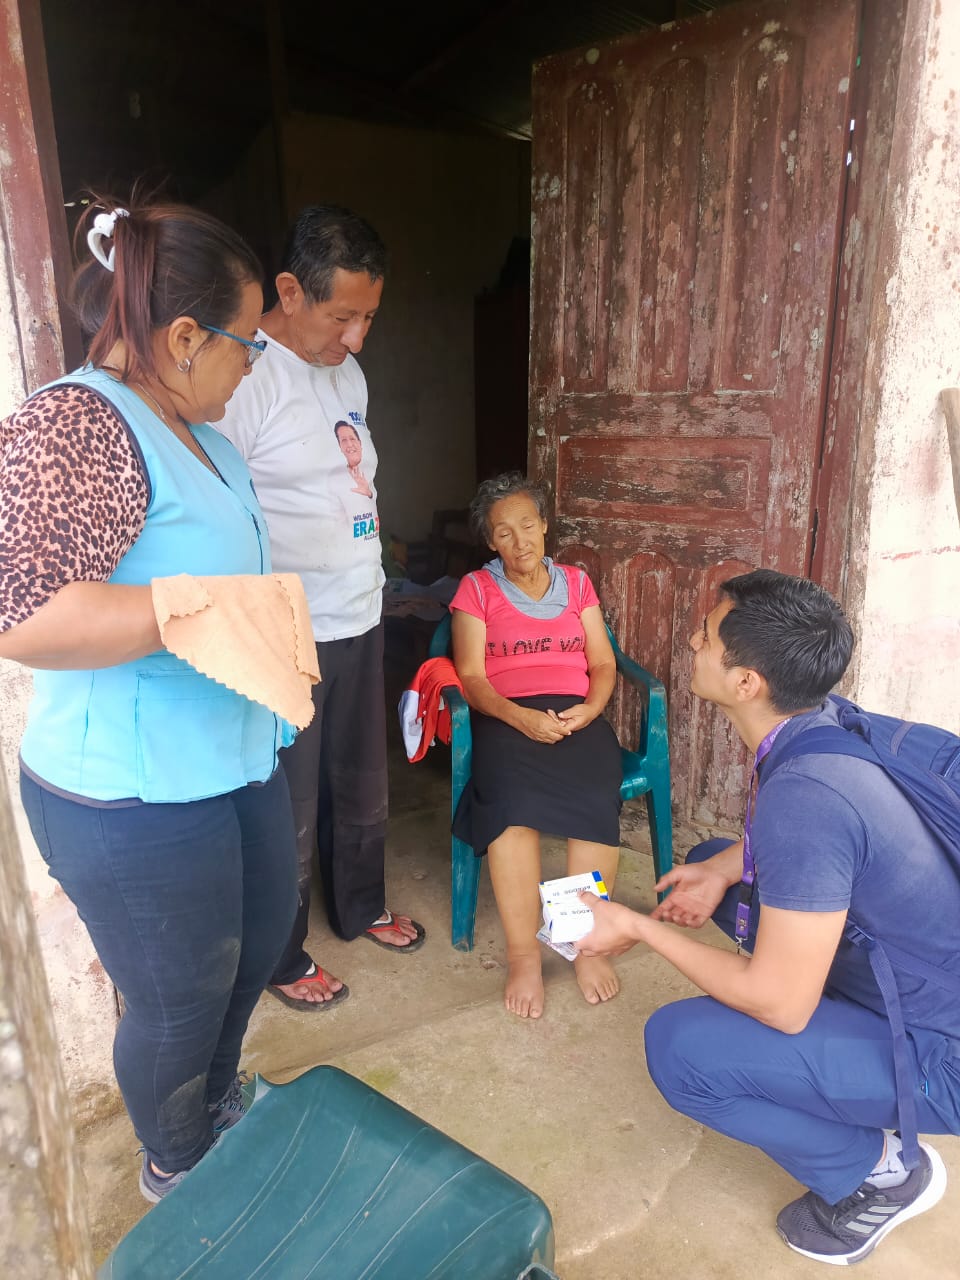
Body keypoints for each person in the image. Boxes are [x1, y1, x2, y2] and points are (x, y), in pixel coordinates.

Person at [0, 197, 299, 1201]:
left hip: (233, 758)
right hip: (128, 793)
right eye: (248, 344)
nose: (251, 366)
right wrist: (190, 606)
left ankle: (214, 1108)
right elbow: (21, 613)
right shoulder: (80, 422)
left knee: (253, 952)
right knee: (178, 1000)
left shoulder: (203, 434)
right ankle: (178, 1164)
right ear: (183, 337)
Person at [576, 568, 958, 1265]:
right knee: (714, 860)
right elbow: (811, 840)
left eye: (705, 636)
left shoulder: (808, 797)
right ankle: (841, 1042)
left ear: (747, 682)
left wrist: (635, 926)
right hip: (929, 973)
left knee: (681, 1050)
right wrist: (722, 870)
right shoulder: (827, 720)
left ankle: (881, 1175)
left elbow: (779, 1005)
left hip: (946, 1052)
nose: (692, 643)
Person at [216, 204, 423, 1014]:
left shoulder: (346, 374)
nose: (358, 337)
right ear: (291, 290)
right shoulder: (245, 377)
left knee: (360, 779)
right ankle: (280, 952)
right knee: (290, 802)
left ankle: (361, 906)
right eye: (343, 317)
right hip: (285, 626)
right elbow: (220, 508)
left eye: (370, 317)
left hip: (358, 608)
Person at [450, 472, 623, 1020]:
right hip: (506, 717)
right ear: (491, 541)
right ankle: (524, 957)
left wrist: (591, 709)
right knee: (511, 810)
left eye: (528, 525)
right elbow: (471, 677)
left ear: (545, 526)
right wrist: (519, 717)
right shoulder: (476, 590)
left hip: (576, 714)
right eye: (504, 532)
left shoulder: (577, 583)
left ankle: (582, 943)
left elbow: (602, 662)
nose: (519, 540)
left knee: (593, 799)